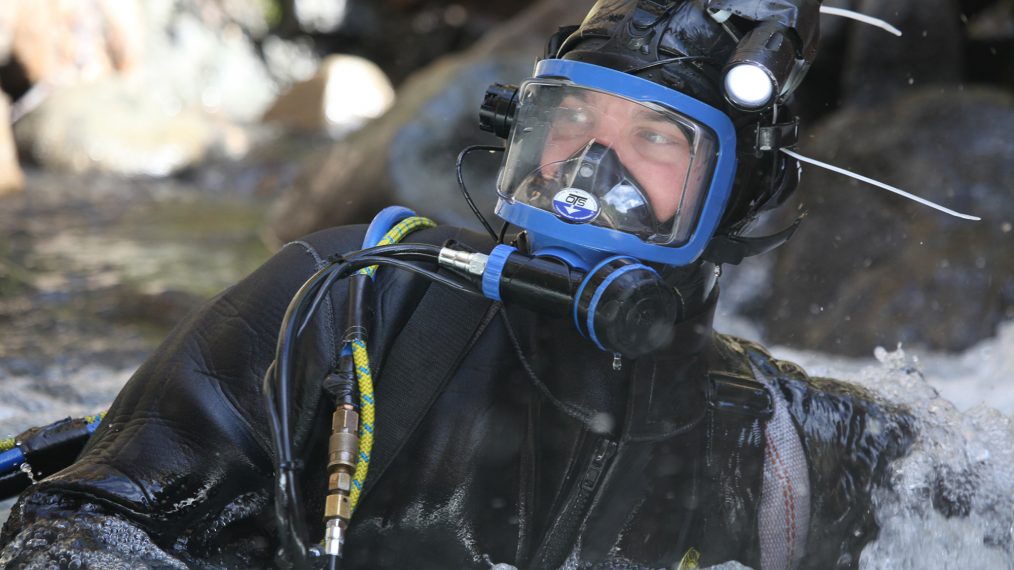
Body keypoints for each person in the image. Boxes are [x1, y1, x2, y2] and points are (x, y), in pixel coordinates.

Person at [0, 1, 916, 568]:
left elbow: (959, 496)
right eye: (574, 117)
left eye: (657, 139)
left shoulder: (765, 441)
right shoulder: (345, 300)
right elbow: (77, 527)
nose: (591, 165)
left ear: (741, 204)